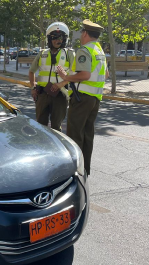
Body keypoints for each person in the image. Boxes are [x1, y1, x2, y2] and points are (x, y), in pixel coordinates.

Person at [56, 19, 109, 176]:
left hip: (81, 98)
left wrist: (65, 75)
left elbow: (84, 75)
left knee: (75, 134)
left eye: (81, 32)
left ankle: (75, 171)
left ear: (85, 33)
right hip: (95, 99)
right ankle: (85, 169)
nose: (80, 35)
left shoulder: (84, 50)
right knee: (87, 134)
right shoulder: (99, 51)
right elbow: (105, 74)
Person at [28, 22, 75, 131]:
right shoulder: (42, 53)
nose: (58, 40)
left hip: (60, 94)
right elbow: (31, 71)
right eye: (54, 37)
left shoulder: (69, 54)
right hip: (42, 94)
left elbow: (75, 74)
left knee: (56, 126)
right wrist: (32, 88)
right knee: (40, 125)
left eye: (61, 37)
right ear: (49, 39)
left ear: (65, 39)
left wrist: (61, 84)